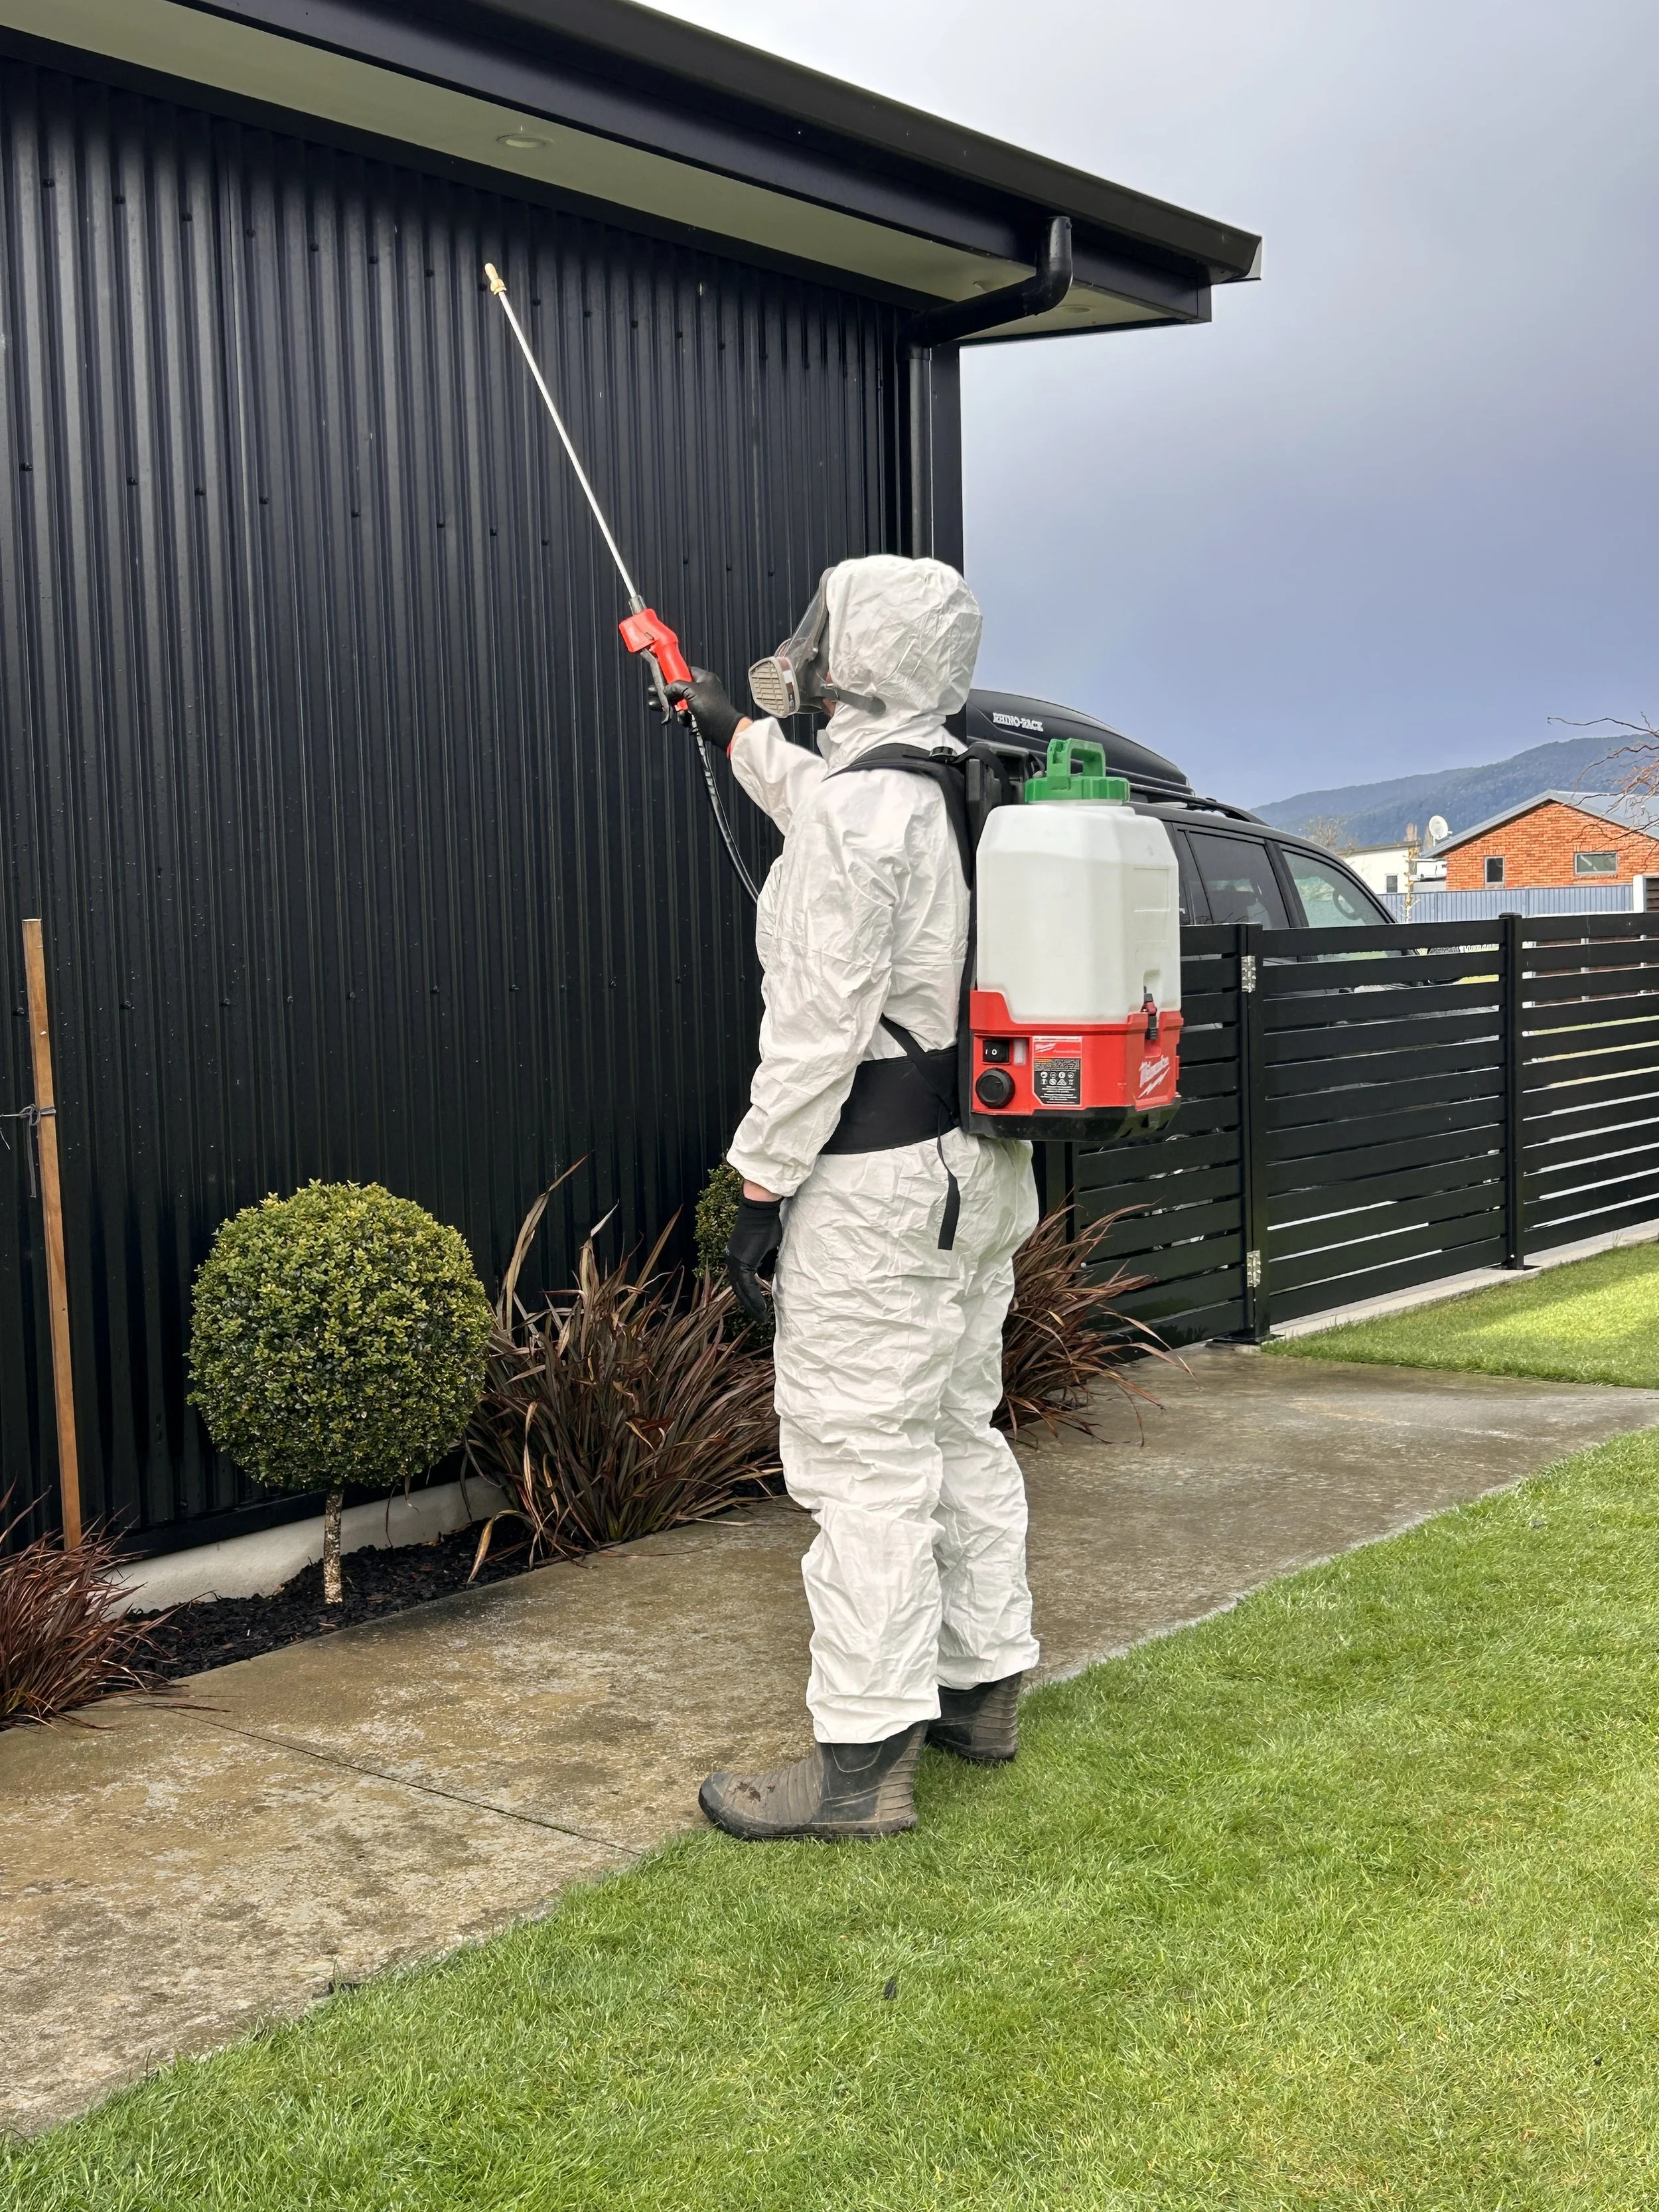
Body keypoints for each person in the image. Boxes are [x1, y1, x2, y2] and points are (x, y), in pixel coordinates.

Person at [668, 553, 1040, 1843]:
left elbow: (817, 1028)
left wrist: (759, 1186)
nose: (809, 654)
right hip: (979, 1173)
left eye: (826, 635)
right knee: (954, 1430)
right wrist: (728, 727)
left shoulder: (858, 815)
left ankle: (859, 1766)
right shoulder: (959, 790)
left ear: (862, 653)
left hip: (878, 1191)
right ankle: (982, 1690)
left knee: (862, 1462)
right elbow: (820, 795)